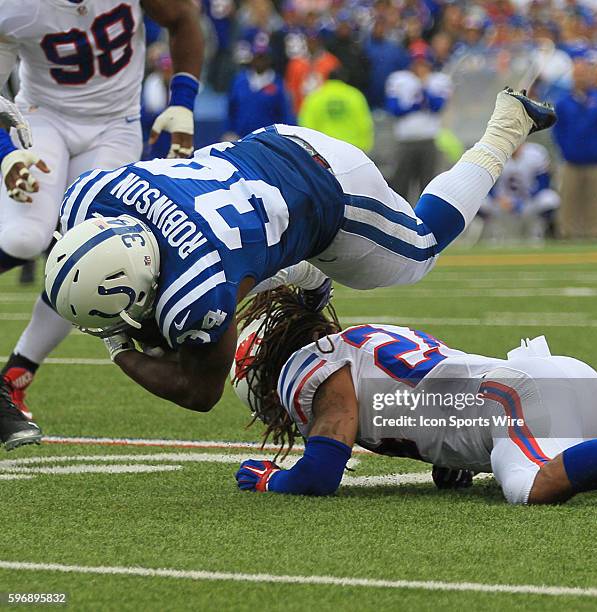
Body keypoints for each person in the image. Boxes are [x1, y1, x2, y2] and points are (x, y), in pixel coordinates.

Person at [3, 89, 555, 452]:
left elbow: (199, 392)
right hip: (266, 149)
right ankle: (304, 278)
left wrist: (116, 344)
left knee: (420, 250)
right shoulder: (88, 197)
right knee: (189, 309)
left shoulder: (196, 287)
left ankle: (506, 126)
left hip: (330, 190)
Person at [0, 0, 204, 434]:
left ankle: (15, 377)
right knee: (24, 237)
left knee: (92, 256)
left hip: (117, 125)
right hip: (42, 118)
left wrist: (183, 102)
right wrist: (5, 154)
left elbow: (184, 19)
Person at [233, 287, 597, 505]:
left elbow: (320, 474)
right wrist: (452, 457)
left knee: (534, 488)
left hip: (518, 398)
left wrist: (273, 481)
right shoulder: (360, 339)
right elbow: (437, 389)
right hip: (563, 375)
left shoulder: (305, 367)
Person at [553, 58, 597, 239]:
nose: (581, 77)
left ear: (590, 75)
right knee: (569, 198)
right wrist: (566, 149)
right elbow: (558, 130)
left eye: (584, 73)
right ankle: (568, 233)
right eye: (578, 74)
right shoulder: (563, 102)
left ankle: (596, 233)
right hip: (571, 160)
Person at [385, 49, 453, 202]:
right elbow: (394, 109)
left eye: (423, 63)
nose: (420, 67)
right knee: (400, 184)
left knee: (428, 185)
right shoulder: (398, 79)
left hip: (428, 139)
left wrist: (424, 85)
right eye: (417, 63)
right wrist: (414, 106)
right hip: (405, 140)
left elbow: (438, 106)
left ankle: (425, 220)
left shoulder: (439, 80)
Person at [481, 143, 560, 242]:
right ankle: (490, 234)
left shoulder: (536, 153)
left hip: (529, 201)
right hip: (502, 203)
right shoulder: (494, 153)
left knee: (550, 199)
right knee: (480, 201)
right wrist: (497, 197)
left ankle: (540, 232)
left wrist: (527, 199)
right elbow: (485, 183)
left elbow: (544, 183)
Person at [225, 42, 295, 140]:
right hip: (241, 138)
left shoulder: (278, 84)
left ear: (269, 60)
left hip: (268, 140)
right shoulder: (240, 82)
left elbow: (285, 114)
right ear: (252, 59)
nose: (260, 62)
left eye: (263, 58)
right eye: (257, 57)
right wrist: (229, 131)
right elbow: (231, 109)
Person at [298, 69, 373, 152]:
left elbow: (307, 123)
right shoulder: (355, 95)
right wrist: (365, 146)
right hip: (351, 147)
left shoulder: (316, 96)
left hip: (324, 148)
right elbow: (364, 123)